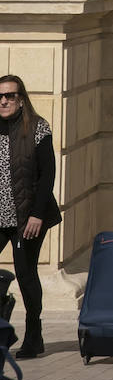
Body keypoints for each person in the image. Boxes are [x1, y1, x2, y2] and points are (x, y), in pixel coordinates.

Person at [0, 75, 61, 359]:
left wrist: (37, 214)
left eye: (10, 96)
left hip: (27, 218)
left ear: (21, 99)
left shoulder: (37, 128)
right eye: (0, 96)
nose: (3, 101)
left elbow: (48, 174)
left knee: (26, 275)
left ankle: (33, 337)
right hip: (1, 218)